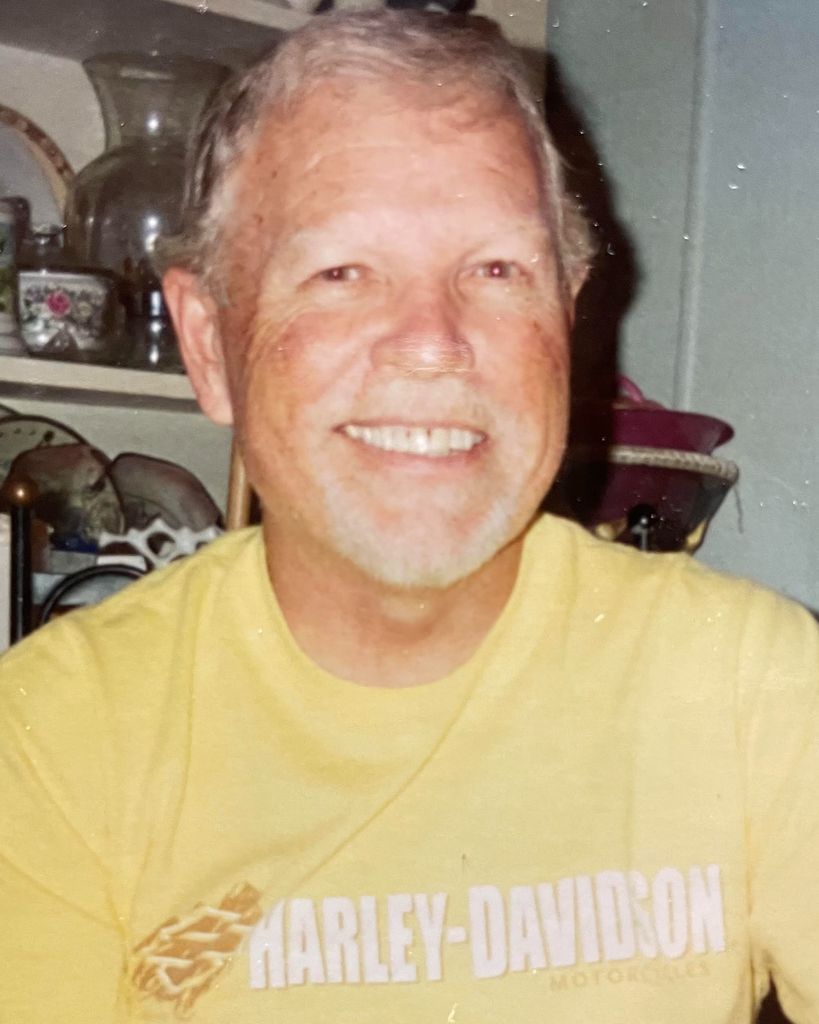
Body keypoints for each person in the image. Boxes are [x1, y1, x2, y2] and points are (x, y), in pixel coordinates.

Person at [1, 10, 817, 1023]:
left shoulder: (752, 687)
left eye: (497, 270)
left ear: (567, 317)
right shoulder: (53, 741)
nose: (433, 341)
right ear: (209, 345)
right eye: (341, 272)